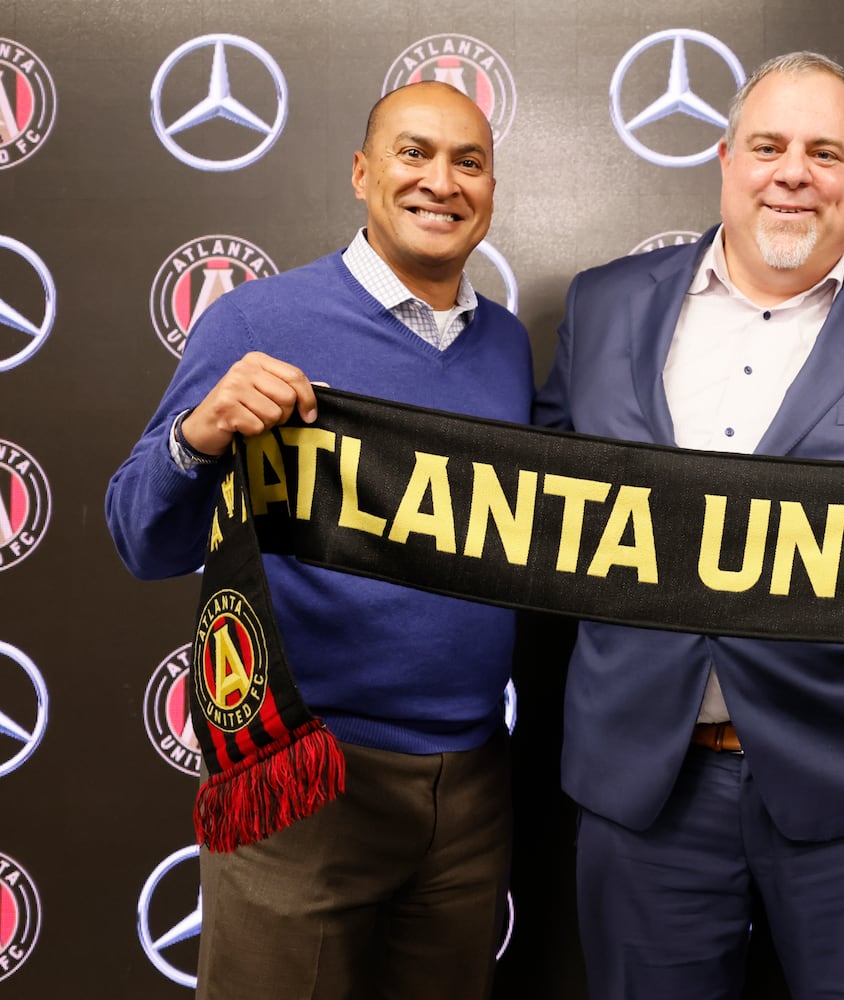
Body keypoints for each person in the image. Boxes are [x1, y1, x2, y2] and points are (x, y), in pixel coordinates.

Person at [533, 50, 844, 999]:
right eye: (769, 145)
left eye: (826, 153)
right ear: (725, 158)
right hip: (643, 788)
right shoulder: (604, 304)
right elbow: (535, 512)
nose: (794, 172)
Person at [105, 80, 532, 999]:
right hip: (306, 771)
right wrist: (198, 437)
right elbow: (139, 537)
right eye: (414, 153)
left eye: (469, 162)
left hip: (471, 787)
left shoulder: (507, 348)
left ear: (492, 190)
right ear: (361, 172)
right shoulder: (257, 322)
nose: (441, 182)